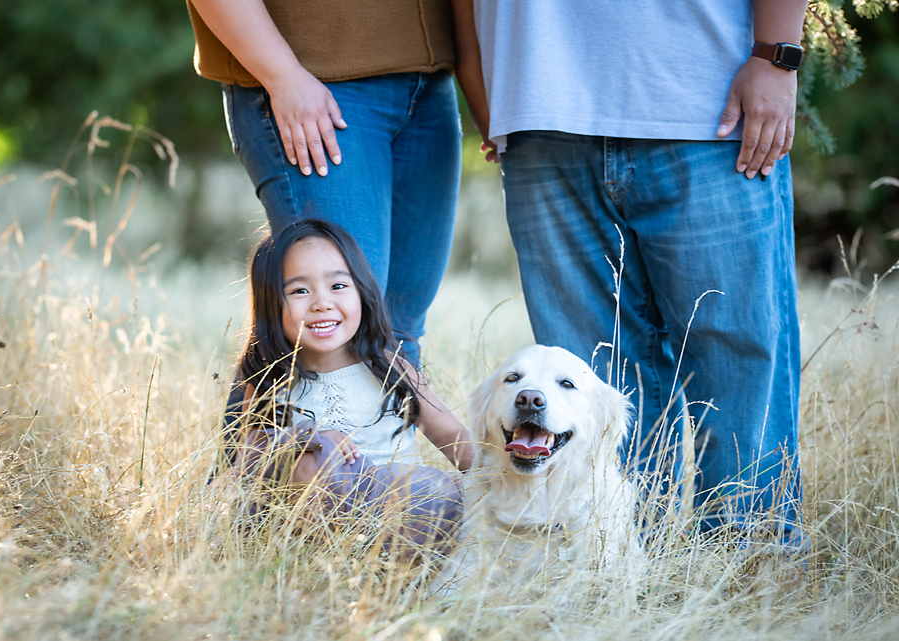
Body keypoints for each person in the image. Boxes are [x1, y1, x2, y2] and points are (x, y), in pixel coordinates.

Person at [456, 1, 808, 548]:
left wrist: (777, 56)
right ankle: (623, 561)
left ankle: (751, 572)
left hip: (710, 106)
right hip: (540, 113)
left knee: (736, 359)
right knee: (587, 377)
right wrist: (485, 90)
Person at [185, 0, 464, 365]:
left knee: (396, 328)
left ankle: (395, 425)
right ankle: (262, 424)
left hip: (430, 83)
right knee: (333, 325)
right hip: (314, 81)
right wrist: (283, 76)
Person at [226, 219, 473, 556]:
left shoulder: (389, 365)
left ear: (361, 290)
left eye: (338, 286)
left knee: (439, 494)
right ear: (272, 305)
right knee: (310, 460)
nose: (321, 303)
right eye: (299, 290)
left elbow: (454, 438)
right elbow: (251, 457)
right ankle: (320, 568)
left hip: (399, 509)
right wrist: (309, 437)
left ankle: (396, 576)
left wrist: (503, 478)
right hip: (314, 522)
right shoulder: (271, 378)